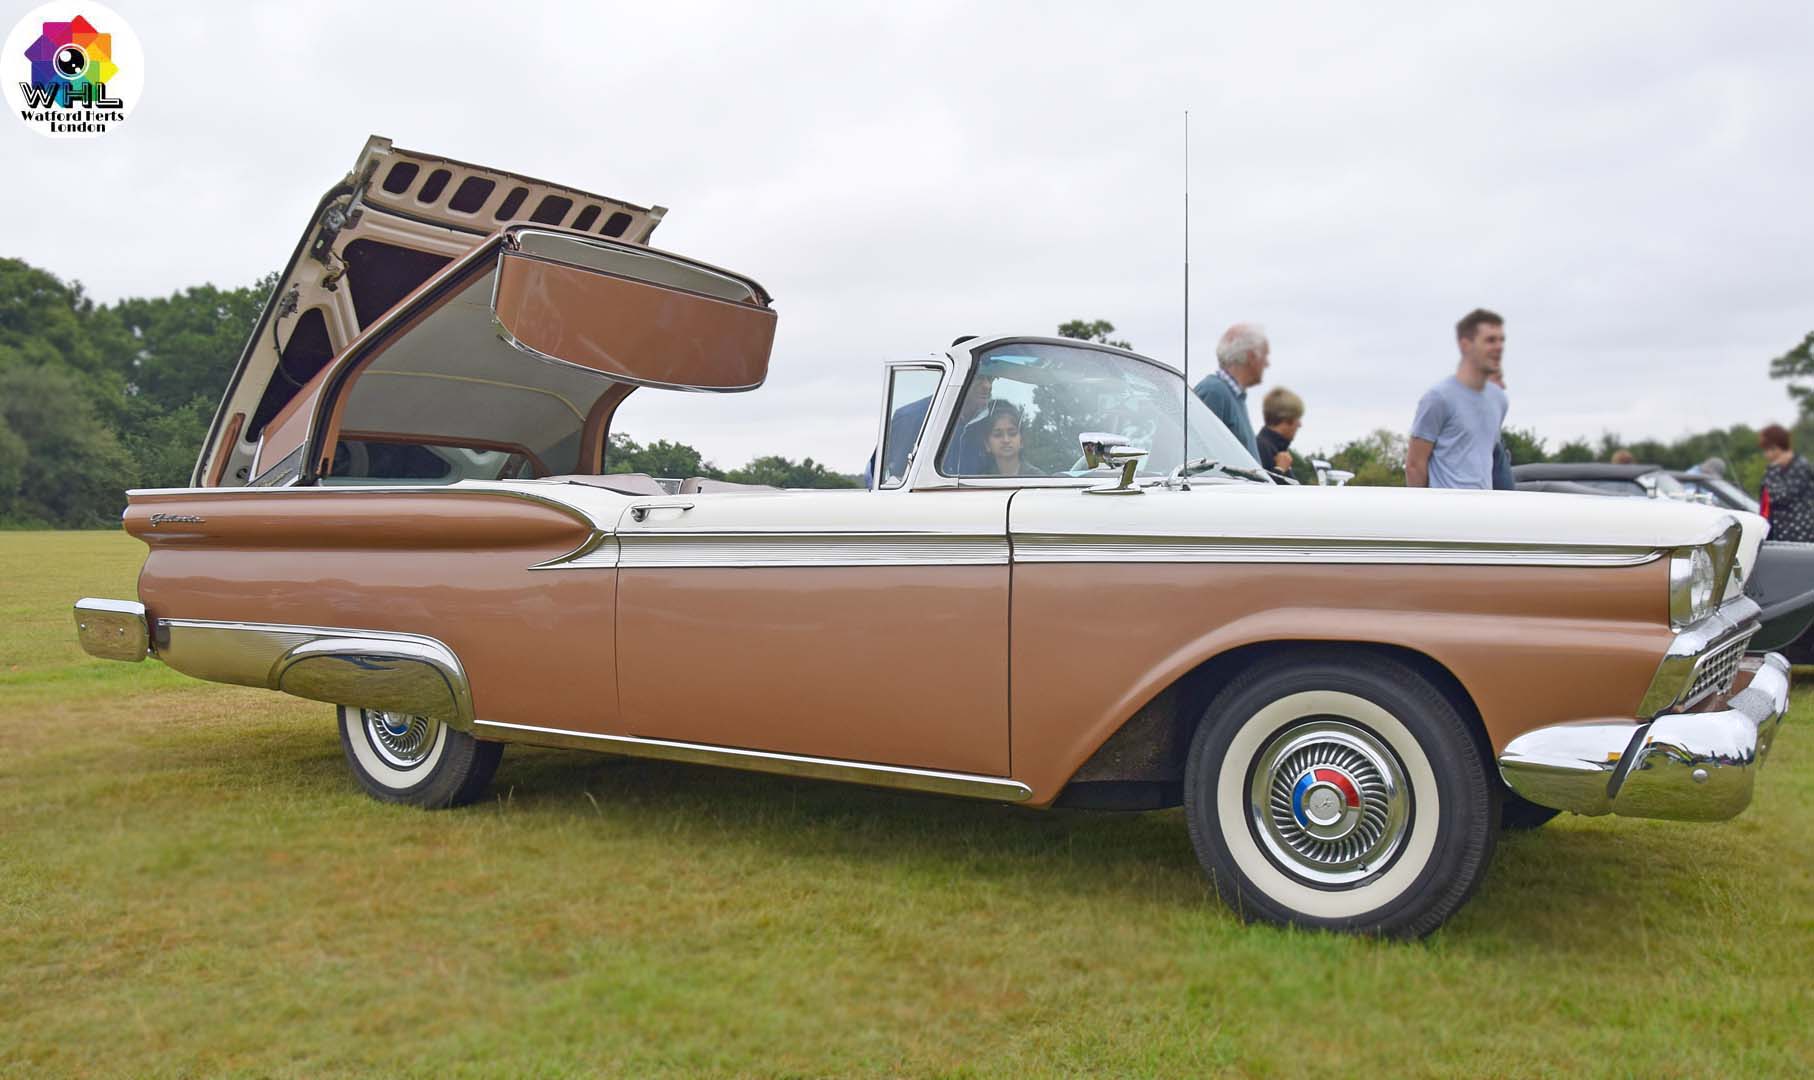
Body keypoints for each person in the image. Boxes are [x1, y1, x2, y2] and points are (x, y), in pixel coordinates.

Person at [1406, 308, 1509, 489]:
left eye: (1502, 340)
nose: (1499, 347)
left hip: (1485, 504)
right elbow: (1414, 466)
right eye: (1490, 340)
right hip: (1447, 505)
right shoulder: (1438, 398)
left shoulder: (1499, 400)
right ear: (1465, 345)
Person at [1192, 323, 1268, 459]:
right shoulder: (1213, 392)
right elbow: (1199, 458)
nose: (1267, 363)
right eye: (1265, 356)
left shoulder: (1234, 396)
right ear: (1251, 357)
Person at [1758, 424, 1814, 541]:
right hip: (1779, 534)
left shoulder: (1800, 467)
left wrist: (1773, 468)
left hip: (1799, 536)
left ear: (1777, 447)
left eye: (1768, 450)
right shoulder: (1779, 469)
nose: (1766, 455)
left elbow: (1778, 496)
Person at [983, 401, 1042, 477]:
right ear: (987, 444)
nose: (1006, 440)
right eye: (998, 435)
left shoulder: (1037, 478)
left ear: (1022, 440)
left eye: (1012, 433)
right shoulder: (979, 479)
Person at [1256, 387, 1303, 481]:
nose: (1300, 424)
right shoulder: (1262, 448)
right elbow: (1259, 487)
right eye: (1297, 418)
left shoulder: (1275, 448)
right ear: (1287, 418)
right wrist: (1279, 470)